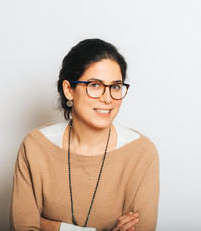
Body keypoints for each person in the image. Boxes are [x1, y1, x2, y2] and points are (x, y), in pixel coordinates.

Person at [10, 38, 160, 231]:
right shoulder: (35, 146)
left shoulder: (141, 152)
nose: (107, 99)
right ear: (68, 90)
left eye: (115, 86)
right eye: (95, 85)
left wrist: (50, 226)